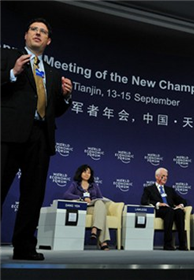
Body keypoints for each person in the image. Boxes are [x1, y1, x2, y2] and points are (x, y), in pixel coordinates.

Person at [1, 18, 72, 261]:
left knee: (33, 195)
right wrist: (12, 74)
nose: (38, 34)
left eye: (43, 32)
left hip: (40, 136)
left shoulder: (52, 72)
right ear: (26, 35)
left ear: (48, 40)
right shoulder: (8, 57)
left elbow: (55, 110)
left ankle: (24, 247)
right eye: (34, 29)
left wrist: (65, 97)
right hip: (9, 133)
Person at [63, 165, 111, 250]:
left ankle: (95, 229)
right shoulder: (75, 184)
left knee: (100, 203)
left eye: (89, 172)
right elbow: (66, 195)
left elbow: (100, 197)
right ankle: (103, 242)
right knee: (102, 214)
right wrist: (81, 198)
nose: (87, 174)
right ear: (80, 173)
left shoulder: (94, 185)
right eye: (85, 172)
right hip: (82, 208)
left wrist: (91, 200)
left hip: (92, 207)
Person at [141, 167, 187, 250]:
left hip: (170, 210)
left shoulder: (170, 190)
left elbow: (182, 200)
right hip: (159, 210)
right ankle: (167, 244)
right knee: (169, 211)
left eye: (166, 176)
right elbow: (143, 201)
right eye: (163, 176)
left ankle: (182, 244)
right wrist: (158, 204)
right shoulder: (149, 189)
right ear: (157, 177)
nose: (165, 178)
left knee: (179, 212)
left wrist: (181, 205)